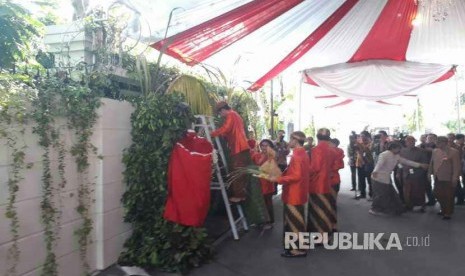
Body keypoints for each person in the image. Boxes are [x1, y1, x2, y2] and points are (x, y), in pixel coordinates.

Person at [267, 131, 309, 258]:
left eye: (290, 139)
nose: (289, 142)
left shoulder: (297, 155)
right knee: (296, 221)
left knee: (294, 223)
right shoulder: (302, 153)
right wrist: (282, 174)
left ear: (295, 141)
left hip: (294, 194)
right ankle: (298, 247)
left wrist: (279, 179)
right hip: (298, 192)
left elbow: (296, 175)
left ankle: (296, 250)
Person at [370, 142, 429, 216]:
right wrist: (375, 171)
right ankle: (374, 209)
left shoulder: (396, 156)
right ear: (393, 148)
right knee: (381, 195)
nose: (400, 150)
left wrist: (420, 165)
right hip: (378, 178)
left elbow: (406, 162)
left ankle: (395, 209)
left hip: (386, 178)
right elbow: (379, 163)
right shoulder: (384, 154)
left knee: (390, 194)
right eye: (398, 149)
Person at [211, 101, 251, 202]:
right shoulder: (236, 115)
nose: (221, 116)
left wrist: (213, 133)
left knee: (237, 173)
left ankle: (239, 196)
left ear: (223, 110)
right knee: (241, 172)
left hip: (239, 148)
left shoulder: (230, 115)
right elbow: (230, 130)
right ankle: (241, 195)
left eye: (220, 113)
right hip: (242, 147)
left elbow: (226, 128)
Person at [307, 128, 336, 242]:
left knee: (318, 210)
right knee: (325, 209)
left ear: (317, 136)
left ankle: (322, 236)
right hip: (327, 183)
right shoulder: (332, 150)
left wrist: (303, 170)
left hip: (316, 184)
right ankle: (326, 234)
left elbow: (315, 168)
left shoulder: (316, 150)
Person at [428, 136, 461, 220]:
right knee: (437, 193)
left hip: (448, 177)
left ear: (445, 142)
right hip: (437, 177)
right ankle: (443, 208)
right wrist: (429, 173)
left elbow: (456, 166)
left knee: (448, 196)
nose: (437, 144)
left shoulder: (454, 152)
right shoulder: (435, 151)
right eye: (437, 142)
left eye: (439, 142)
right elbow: (431, 163)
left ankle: (448, 212)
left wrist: (455, 178)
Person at [251, 139, 277, 229]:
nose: (264, 147)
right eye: (262, 145)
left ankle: (269, 222)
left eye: (266, 145)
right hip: (257, 183)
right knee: (258, 202)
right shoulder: (256, 155)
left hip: (267, 183)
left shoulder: (271, 157)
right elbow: (252, 165)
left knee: (267, 203)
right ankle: (259, 221)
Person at [399, 136, 429, 212]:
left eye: (412, 141)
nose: (410, 143)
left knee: (418, 190)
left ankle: (421, 205)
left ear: (415, 142)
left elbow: (425, 164)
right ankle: (409, 205)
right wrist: (398, 172)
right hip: (406, 174)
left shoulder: (421, 151)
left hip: (418, 174)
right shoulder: (402, 151)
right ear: (405, 143)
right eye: (408, 141)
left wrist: (421, 172)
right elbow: (399, 163)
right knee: (407, 191)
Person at [329, 138, 344, 232]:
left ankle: (330, 223)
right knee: (332, 202)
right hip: (335, 180)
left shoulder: (330, 152)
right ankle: (333, 224)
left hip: (328, 180)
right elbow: (341, 165)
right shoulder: (339, 152)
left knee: (328, 203)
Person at [355, 131, 374, 199]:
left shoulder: (371, 144)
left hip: (368, 164)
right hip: (360, 164)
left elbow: (368, 152)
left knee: (370, 180)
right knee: (361, 180)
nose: (361, 138)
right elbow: (358, 152)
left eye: (363, 136)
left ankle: (371, 194)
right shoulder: (359, 144)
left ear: (367, 136)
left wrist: (362, 148)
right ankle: (362, 194)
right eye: (361, 136)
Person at [455, 133, 465, 205]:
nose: (464, 140)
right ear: (457, 140)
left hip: (463, 168)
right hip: (457, 168)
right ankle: (460, 199)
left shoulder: (463, 146)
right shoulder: (455, 147)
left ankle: (461, 199)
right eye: (462, 139)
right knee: (457, 184)